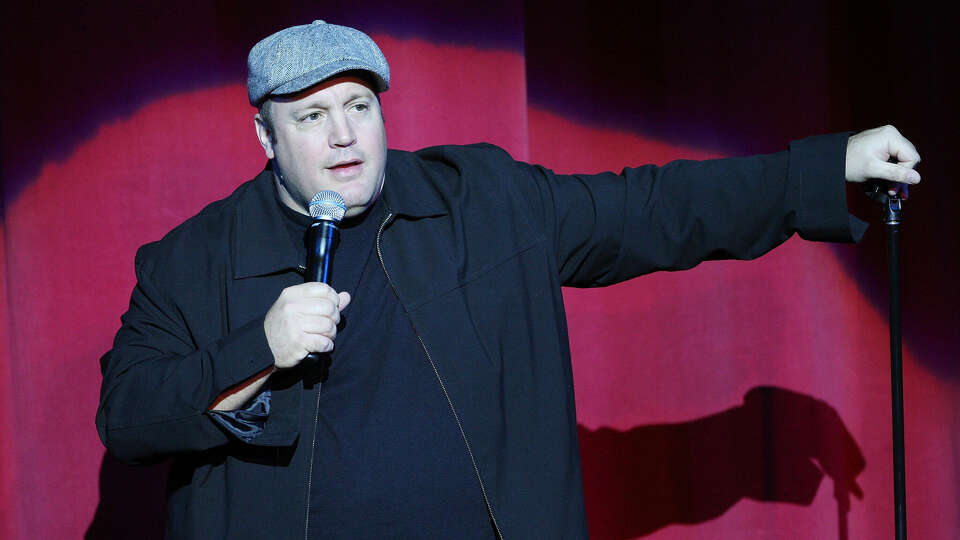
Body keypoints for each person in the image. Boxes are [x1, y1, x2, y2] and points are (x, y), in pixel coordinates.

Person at [96, 20, 921, 539]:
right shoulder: (193, 259)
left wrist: (824, 167)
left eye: (360, 106)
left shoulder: (481, 201)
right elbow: (128, 419)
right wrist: (259, 349)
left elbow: (653, 209)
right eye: (311, 117)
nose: (344, 137)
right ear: (265, 136)